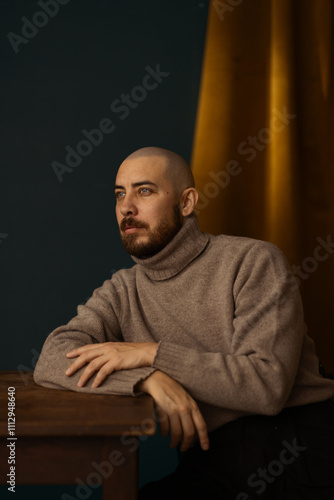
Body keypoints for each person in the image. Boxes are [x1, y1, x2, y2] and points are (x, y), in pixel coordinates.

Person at [34, 147, 334, 499]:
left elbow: (266, 386)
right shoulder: (122, 290)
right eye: (120, 194)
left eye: (144, 190)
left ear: (187, 202)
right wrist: (147, 377)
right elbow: (53, 359)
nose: (126, 207)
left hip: (301, 449)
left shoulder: (253, 260)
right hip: (210, 458)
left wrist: (153, 354)